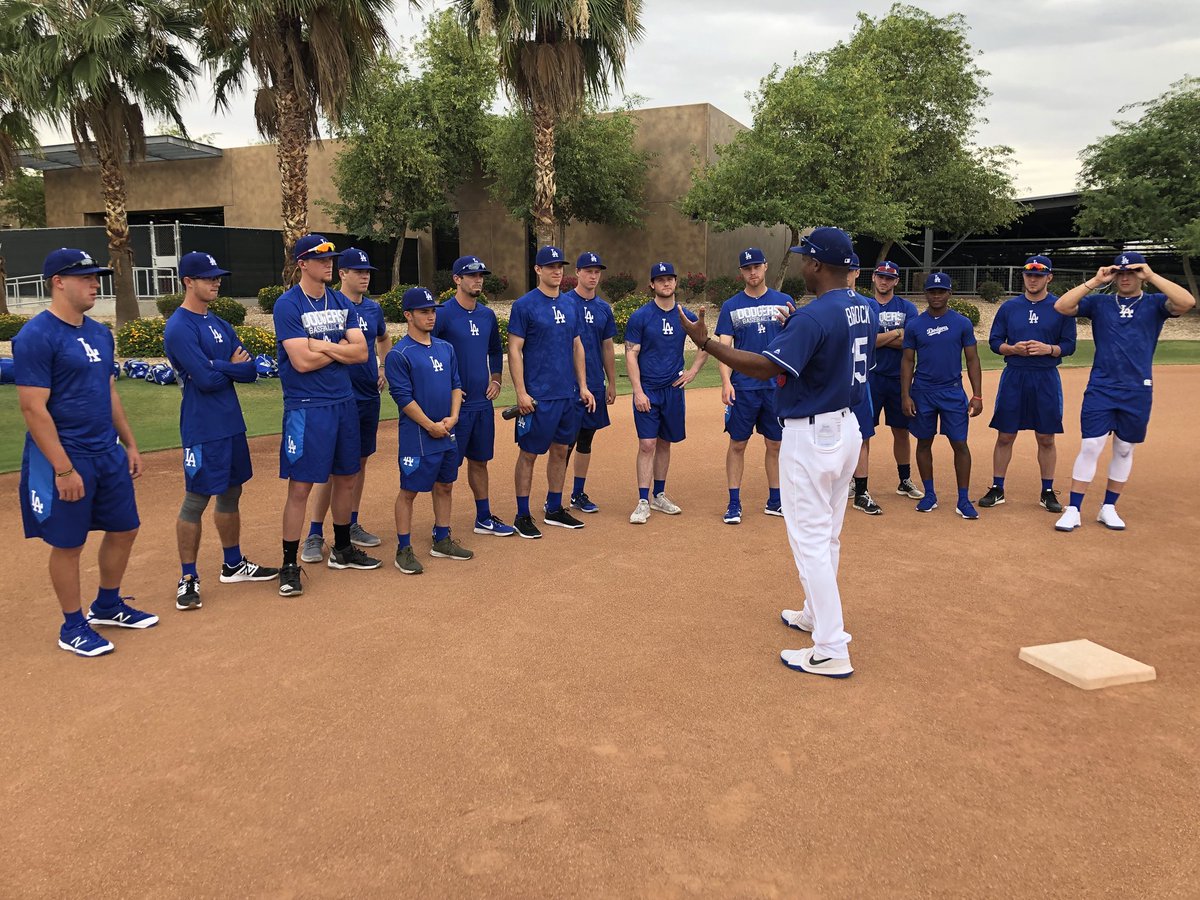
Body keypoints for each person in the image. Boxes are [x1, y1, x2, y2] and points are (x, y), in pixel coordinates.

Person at [676, 227, 872, 678]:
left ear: (819, 266)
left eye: (806, 258)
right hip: (847, 428)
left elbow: (766, 367)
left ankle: (831, 647)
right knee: (829, 535)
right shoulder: (860, 307)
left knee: (810, 541)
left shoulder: (812, 315)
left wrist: (705, 343)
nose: (802, 264)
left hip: (813, 434)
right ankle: (813, 614)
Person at [15, 248, 154, 656]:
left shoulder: (99, 333)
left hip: (105, 451)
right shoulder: (36, 336)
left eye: (97, 277)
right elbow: (32, 409)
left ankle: (108, 604)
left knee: (125, 527)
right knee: (69, 543)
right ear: (58, 281)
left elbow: (108, 392)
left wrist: (128, 442)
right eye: (86, 277)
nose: (96, 284)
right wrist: (62, 469)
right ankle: (72, 625)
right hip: (65, 453)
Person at [163, 251, 279, 611]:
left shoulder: (219, 324)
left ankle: (233, 564)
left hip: (230, 423)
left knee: (231, 492)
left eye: (217, 277)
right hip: (201, 426)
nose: (215, 282)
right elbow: (208, 380)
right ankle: (187, 577)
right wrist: (225, 365)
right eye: (208, 277)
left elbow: (251, 371)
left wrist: (221, 366)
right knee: (196, 499)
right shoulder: (179, 327)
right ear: (188, 282)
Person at [1051, 251, 1195, 531]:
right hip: (1102, 386)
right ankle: (1074, 508)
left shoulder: (1154, 304)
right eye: (1121, 273)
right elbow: (1062, 306)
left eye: (1132, 272)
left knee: (1125, 448)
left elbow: (1187, 302)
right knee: (1091, 445)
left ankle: (1108, 507)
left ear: (1140, 274)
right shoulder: (1101, 303)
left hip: (1137, 389)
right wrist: (1095, 280)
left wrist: (1151, 275)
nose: (1126, 277)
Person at [274, 234, 381, 596]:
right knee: (301, 487)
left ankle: (342, 548)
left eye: (331, 258)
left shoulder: (339, 301)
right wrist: (338, 348)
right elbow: (301, 363)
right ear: (302, 263)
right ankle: (290, 563)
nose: (329, 263)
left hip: (343, 402)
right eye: (321, 259)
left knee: (347, 477)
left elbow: (362, 353)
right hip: (307, 407)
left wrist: (320, 344)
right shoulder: (288, 305)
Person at [300, 248, 391, 564]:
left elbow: (382, 339)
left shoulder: (373, 309)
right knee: (329, 468)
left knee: (358, 464)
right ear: (343, 274)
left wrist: (382, 367)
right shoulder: (332, 306)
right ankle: (314, 532)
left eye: (368, 271)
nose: (365, 276)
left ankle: (350, 523)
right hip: (336, 397)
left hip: (367, 395)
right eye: (358, 271)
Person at [507, 245, 596, 538]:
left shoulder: (570, 304)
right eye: (550, 266)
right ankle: (522, 515)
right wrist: (521, 391)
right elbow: (515, 349)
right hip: (538, 396)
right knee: (530, 454)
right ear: (538, 270)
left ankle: (555, 508)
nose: (557, 271)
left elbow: (577, 345)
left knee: (561, 450)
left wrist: (582, 386)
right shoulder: (525, 305)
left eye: (560, 266)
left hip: (566, 394)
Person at [977, 255, 1077, 513]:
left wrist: (1049, 348)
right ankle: (997, 487)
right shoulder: (1010, 307)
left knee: (1046, 437)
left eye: (1039, 275)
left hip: (1045, 377)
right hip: (1015, 375)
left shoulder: (1061, 307)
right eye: (1029, 274)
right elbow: (994, 341)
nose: (1033, 279)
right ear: (1023, 276)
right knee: (1006, 434)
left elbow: (1069, 345)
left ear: (1049, 277)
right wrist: (1012, 348)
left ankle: (1047, 491)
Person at [386, 287, 472, 573]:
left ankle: (442, 538)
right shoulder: (399, 354)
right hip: (418, 435)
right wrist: (430, 425)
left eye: (433, 310)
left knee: (445, 485)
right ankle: (404, 548)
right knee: (409, 491)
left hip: (447, 429)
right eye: (424, 311)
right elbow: (403, 398)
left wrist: (453, 418)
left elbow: (456, 385)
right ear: (408, 315)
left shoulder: (445, 348)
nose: (431, 316)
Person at [432, 255, 515, 537]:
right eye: (471, 275)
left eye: (481, 275)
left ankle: (483, 518)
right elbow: (429, 349)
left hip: (482, 404)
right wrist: (446, 386)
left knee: (480, 462)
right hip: (455, 407)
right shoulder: (443, 313)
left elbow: (494, 350)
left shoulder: (487, 315)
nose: (478, 280)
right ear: (457, 279)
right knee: (447, 470)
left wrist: (496, 377)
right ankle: (440, 528)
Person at [626, 262, 708, 524]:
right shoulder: (641, 316)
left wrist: (693, 371)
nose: (665, 284)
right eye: (660, 280)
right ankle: (643, 500)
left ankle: (659, 495)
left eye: (670, 279)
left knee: (664, 442)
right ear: (652, 284)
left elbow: (705, 344)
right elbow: (631, 354)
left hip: (673, 389)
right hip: (648, 389)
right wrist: (637, 391)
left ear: (675, 282)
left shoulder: (685, 316)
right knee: (647, 443)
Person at [900, 273, 984, 519]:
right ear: (925, 294)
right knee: (924, 442)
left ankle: (963, 499)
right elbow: (907, 362)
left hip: (952, 391)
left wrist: (977, 395)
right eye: (932, 291)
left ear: (949, 293)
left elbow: (972, 359)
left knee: (959, 443)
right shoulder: (915, 325)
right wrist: (906, 395)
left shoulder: (962, 323)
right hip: (923, 391)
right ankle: (929, 494)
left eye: (941, 291)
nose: (936, 295)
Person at [713, 247, 787, 525]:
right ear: (741, 272)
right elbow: (724, 349)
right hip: (743, 387)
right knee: (738, 444)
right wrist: (724, 382)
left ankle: (775, 500)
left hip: (776, 387)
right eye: (747, 268)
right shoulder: (732, 306)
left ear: (766, 267)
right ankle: (734, 503)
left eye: (757, 266)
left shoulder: (784, 301)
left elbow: (794, 343)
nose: (752, 272)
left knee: (776, 444)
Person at [564, 251, 617, 514]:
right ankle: (555, 496)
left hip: (595, 382)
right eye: (588, 271)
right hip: (567, 384)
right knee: (565, 441)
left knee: (586, 439)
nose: (593, 276)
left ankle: (577, 493)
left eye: (597, 272)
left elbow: (607, 347)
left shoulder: (603, 308)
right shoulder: (563, 303)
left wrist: (611, 382)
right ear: (578, 273)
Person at [866, 260, 923, 502]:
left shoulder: (907, 307)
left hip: (899, 379)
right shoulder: (864, 306)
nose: (884, 281)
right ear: (873, 277)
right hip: (869, 378)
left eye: (889, 278)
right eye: (880, 276)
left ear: (896, 281)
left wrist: (879, 337)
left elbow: (909, 342)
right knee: (862, 433)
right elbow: (865, 341)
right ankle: (857, 483)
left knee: (901, 431)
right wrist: (896, 332)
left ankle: (905, 479)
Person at [845, 255, 884, 515]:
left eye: (850, 270)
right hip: (835, 383)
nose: (845, 274)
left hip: (859, 381)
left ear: (858, 272)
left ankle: (861, 490)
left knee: (862, 436)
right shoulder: (828, 303)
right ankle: (839, 484)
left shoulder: (869, 305)